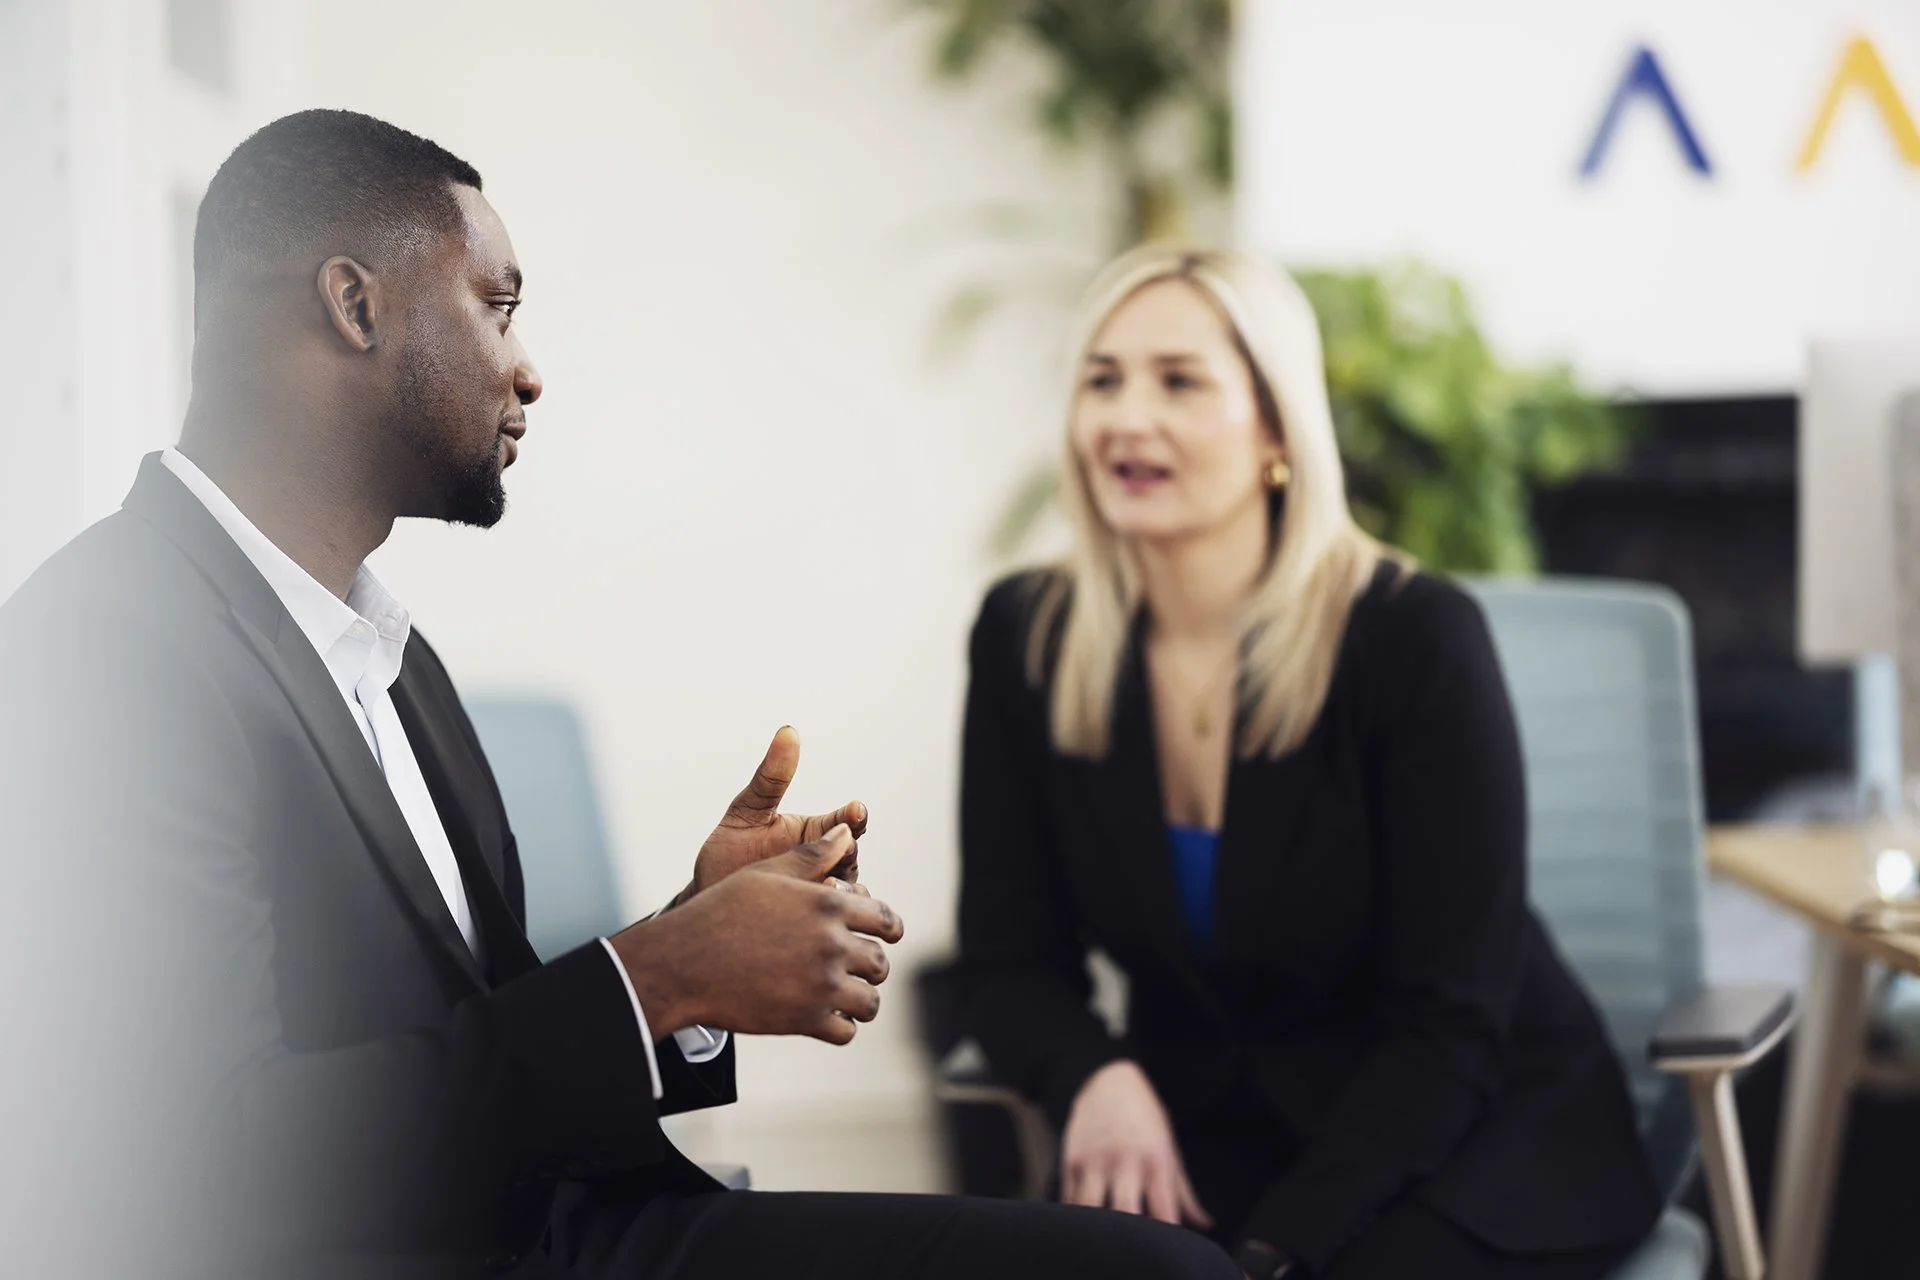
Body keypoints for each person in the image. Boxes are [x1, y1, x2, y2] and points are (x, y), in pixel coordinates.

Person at [0, 110, 1239, 1280]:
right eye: (498, 308)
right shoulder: (107, 648)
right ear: (354, 305)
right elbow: (198, 1162)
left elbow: (472, 1040)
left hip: (584, 1226)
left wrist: (695, 933)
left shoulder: (387, 652)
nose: (527, 371)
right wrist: (659, 976)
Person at [956, 246, 1665, 1280]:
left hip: (1462, 1130)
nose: (1125, 417)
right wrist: (1094, 1073)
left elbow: (1449, 1022)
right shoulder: (1029, 636)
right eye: (1101, 379)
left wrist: (1278, 1246)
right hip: (1213, 1133)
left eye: (1179, 380)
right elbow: (1009, 959)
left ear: (1277, 427)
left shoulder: (1413, 638)